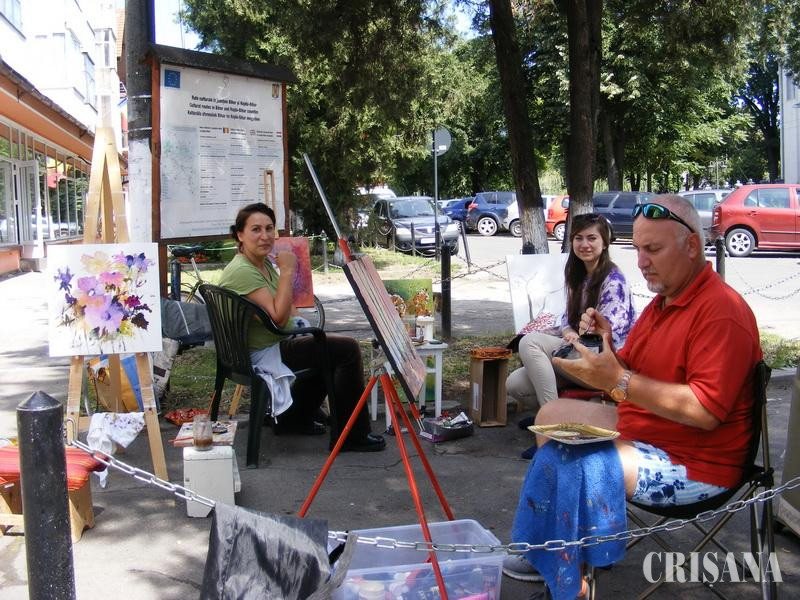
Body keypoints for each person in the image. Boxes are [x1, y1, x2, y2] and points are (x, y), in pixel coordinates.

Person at [503, 195, 763, 587]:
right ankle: (577, 543)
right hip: (651, 430)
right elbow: (628, 370)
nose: (641, 261)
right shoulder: (664, 303)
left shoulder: (721, 312)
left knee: (571, 457)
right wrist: (606, 345)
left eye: (653, 249)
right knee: (550, 417)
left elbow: (705, 411)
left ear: (692, 246)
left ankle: (565, 558)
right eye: (638, 249)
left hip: (697, 463)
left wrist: (617, 381)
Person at [218, 202, 385, 452]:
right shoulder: (243, 271)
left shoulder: (259, 263)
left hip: (270, 344)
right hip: (263, 353)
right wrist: (287, 271)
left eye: (269, 228)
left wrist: (302, 326)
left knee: (325, 347)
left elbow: (286, 305)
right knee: (347, 350)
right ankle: (352, 436)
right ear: (240, 235)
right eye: (256, 229)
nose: (265, 236)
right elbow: (277, 317)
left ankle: (294, 418)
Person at [506, 212, 636, 410]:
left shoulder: (614, 281)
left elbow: (608, 337)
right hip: (577, 352)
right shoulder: (578, 275)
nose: (584, 244)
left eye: (592, 238)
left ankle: (552, 418)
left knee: (530, 342)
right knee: (515, 384)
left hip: (605, 364)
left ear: (605, 243)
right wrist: (570, 332)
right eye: (578, 238)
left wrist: (577, 340)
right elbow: (567, 318)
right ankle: (570, 415)